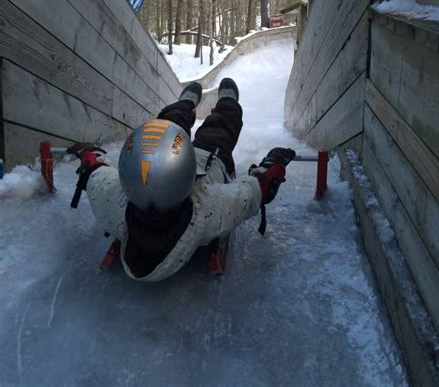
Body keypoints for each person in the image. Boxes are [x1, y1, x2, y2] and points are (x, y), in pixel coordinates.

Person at [67, 78, 295, 282]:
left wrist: (91, 158)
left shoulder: (114, 204)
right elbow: (250, 193)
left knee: (167, 124)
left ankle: (185, 104)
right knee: (220, 128)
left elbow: (97, 176)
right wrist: (268, 170)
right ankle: (227, 103)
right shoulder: (209, 209)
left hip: (170, 158)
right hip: (210, 159)